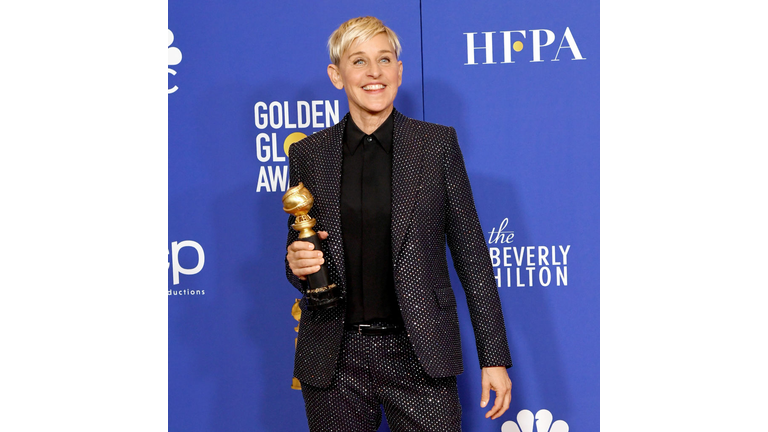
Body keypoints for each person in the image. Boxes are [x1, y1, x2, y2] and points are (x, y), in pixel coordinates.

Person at [285, 16, 512, 432]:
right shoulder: (309, 155)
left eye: (384, 59)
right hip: (336, 361)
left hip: (420, 353)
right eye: (359, 61)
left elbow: (473, 258)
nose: (374, 72)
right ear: (337, 76)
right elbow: (302, 254)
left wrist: (493, 356)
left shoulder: (436, 145)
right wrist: (296, 261)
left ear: (399, 71)